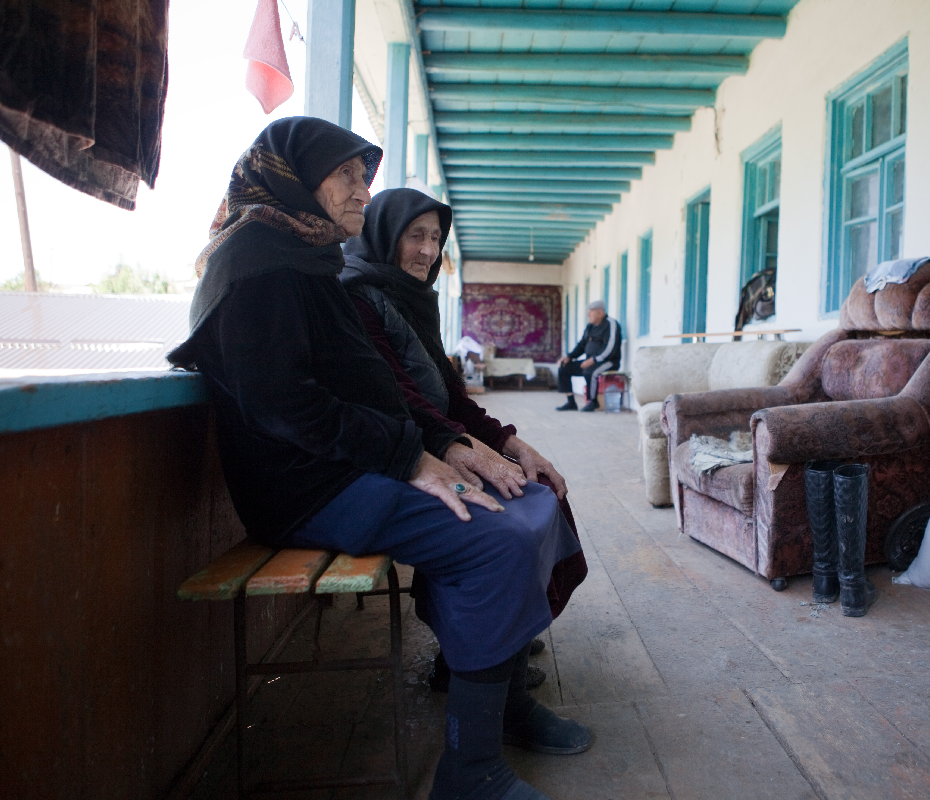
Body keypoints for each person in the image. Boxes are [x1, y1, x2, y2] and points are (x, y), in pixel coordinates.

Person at [168, 117, 590, 800]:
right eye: (348, 176)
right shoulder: (255, 266)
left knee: (528, 500)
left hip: (349, 466)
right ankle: (470, 770)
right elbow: (285, 407)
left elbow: (376, 385)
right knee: (495, 541)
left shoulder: (305, 258)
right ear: (294, 178)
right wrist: (412, 458)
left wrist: (449, 443)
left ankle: (503, 702)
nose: (363, 192)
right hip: (305, 488)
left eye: (366, 178)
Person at [340, 186, 589, 691]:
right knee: (505, 516)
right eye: (416, 236)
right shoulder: (357, 299)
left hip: (433, 444)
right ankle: (473, 656)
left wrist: (515, 447)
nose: (429, 251)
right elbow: (399, 400)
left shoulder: (411, 303)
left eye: (436, 237)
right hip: (395, 459)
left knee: (544, 491)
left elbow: (455, 402)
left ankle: (505, 633)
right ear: (386, 235)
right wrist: (467, 452)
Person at [556, 300, 622, 412]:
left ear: (600, 313)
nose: (588, 315)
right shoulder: (590, 327)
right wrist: (569, 357)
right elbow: (582, 345)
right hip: (590, 361)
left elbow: (610, 348)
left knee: (591, 372)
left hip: (608, 362)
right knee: (564, 367)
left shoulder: (611, 324)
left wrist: (594, 360)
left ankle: (593, 402)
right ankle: (571, 402)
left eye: (590, 312)